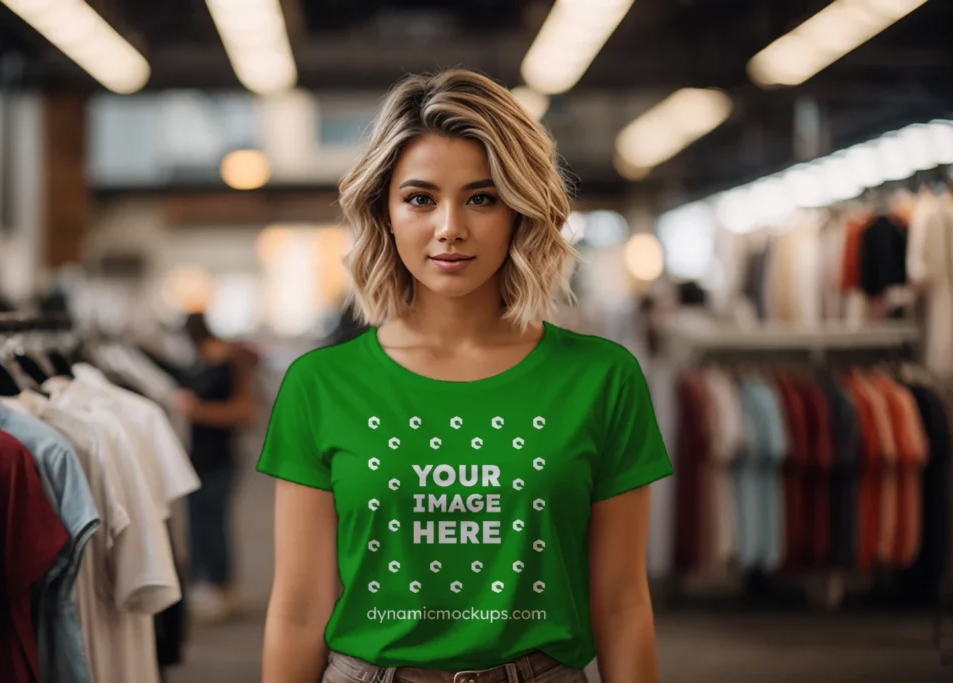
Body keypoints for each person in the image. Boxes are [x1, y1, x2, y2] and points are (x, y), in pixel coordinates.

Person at [257, 70, 673, 683]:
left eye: (482, 197)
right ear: (386, 212)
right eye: (420, 198)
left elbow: (622, 603)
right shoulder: (320, 384)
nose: (450, 226)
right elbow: (297, 610)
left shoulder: (602, 379)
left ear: (519, 211)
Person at [173, 312, 257, 623]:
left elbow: (245, 412)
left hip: (221, 457)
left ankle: (221, 588)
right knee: (198, 522)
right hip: (195, 457)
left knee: (214, 523)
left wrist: (198, 411)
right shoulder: (197, 364)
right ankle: (205, 584)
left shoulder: (230, 363)